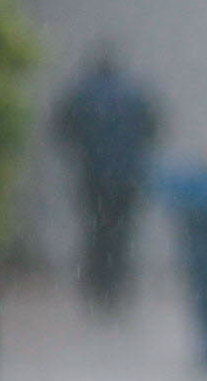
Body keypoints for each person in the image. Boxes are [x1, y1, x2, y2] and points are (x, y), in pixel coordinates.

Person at [51, 45, 160, 308]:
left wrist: (84, 150)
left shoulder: (82, 93)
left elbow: (62, 129)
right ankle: (118, 284)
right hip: (127, 177)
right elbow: (153, 128)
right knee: (122, 233)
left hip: (93, 175)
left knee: (95, 231)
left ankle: (97, 285)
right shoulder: (135, 93)